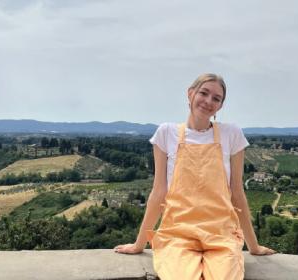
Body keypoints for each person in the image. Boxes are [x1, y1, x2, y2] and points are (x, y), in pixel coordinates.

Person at [114, 73, 276, 279]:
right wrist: (139, 244)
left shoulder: (232, 134)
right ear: (190, 93)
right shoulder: (166, 133)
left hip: (221, 234)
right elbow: (158, 192)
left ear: (220, 106)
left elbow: (237, 194)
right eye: (204, 93)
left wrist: (253, 246)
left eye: (216, 98)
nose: (208, 101)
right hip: (177, 234)